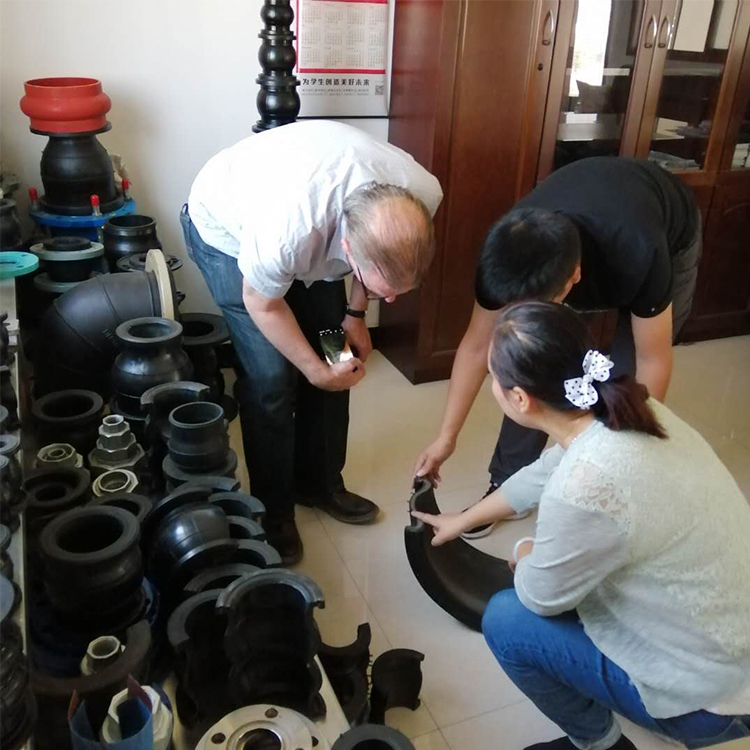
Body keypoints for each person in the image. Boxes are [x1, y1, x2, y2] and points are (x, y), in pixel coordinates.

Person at [413, 301, 750, 750]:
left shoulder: (585, 487)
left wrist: (524, 552)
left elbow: (539, 596)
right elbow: (545, 469)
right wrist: (464, 519)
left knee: (508, 621)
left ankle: (600, 743)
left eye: (493, 377)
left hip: (713, 701)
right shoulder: (633, 406)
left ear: (519, 399)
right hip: (732, 649)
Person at [182, 120, 443, 564]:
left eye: (396, 293)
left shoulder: (423, 195)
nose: (391, 301)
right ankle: (273, 512)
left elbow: (378, 259)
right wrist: (312, 370)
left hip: (322, 223)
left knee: (338, 354)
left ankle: (320, 483)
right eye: (378, 288)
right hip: (227, 234)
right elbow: (264, 303)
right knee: (270, 378)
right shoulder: (290, 232)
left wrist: (356, 315)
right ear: (347, 248)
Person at [414, 157, 702, 538]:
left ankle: (607, 487)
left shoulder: (640, 251)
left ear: (573, 279)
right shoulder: (508, 253)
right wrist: (446, 437)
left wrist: (623, 452)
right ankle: (508, 484)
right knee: (534, 363)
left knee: (625, 385)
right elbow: (476, 346)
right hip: (595, 225)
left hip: (667, 234)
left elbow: (653, 358)